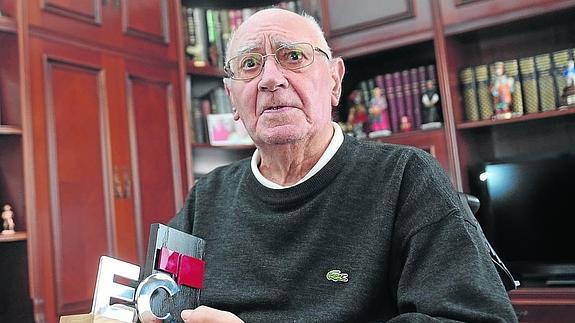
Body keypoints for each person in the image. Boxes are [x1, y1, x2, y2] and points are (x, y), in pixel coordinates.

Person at [167, 8, 517, 323]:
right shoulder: (206, 196)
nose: (270, 79)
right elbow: (160, 299)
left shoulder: (407, 177)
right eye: (249, 64)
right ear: (232, 98)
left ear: (334, 81)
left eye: (293, 56)